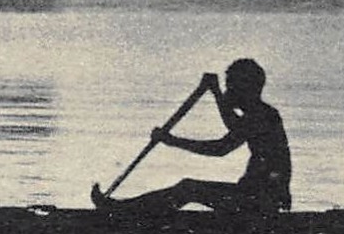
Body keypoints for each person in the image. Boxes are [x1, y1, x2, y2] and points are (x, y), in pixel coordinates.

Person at [92, 58, 290, 217]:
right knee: (187, 188)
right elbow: (234, 126)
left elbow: (221, 148)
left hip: (257, 201)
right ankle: (125, 210)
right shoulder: (260, 114)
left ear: (245, 89)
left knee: (188, 188)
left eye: (231, 86)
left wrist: (171, 140)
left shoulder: (261, 116)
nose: (229, 91)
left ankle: (121, 212)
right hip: (253, 196)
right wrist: (216, 92)